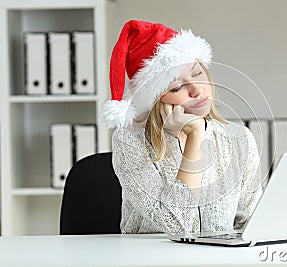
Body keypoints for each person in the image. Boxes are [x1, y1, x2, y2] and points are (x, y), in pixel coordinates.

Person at [101, 20, 263, 235]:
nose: (196, 90)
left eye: (197, 74)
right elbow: (177, 225)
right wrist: (195, 137)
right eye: (177, 87)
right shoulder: (129, 141)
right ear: (155, 99)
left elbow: (253, 223)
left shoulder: (239, 138)